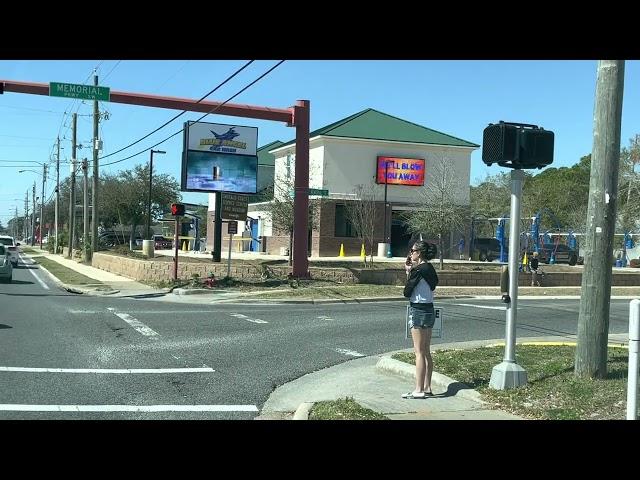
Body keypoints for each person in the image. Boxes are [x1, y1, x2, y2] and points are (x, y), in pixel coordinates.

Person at [401, 240, 439, 399]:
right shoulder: (430, 269)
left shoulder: (417, 270)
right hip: (429, 308)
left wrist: (409, 272)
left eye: (413, 251)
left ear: (420, 253)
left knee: (418, 351)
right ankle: (427, 387)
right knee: (426, 350)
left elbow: (407, 291)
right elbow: (433, 285)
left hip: (418, 309)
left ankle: (418, 389)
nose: (411, 253)